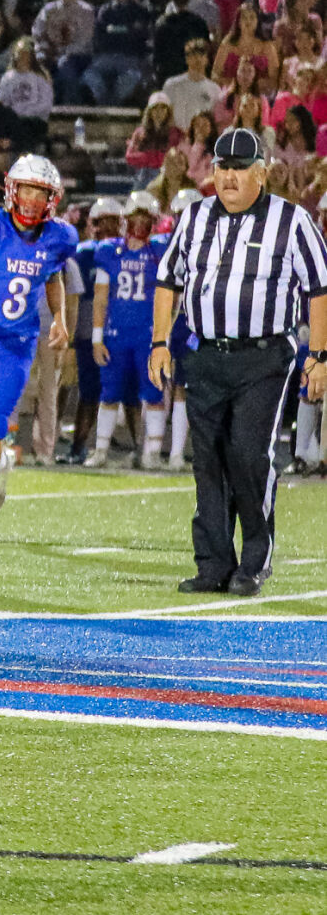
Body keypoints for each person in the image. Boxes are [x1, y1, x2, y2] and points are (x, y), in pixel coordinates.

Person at [152, 127, 327, 596]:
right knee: (206, 460)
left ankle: (253, 561)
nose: (228, 176)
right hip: (206, 354)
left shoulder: (291, 221)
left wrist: (320, 356)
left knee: (249, 456)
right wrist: (159, 343)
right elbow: (167, 279)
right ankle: (212, 564)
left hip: (265, 355)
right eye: (222, 166)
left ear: (261, 172)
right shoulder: (194, 216)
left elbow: (320, 288)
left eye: (239, 167)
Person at [0, 155, 76, 542]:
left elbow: (52, 276)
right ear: (12, 189)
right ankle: (1, 459)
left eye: (41, 192)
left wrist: (59, 319)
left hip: (17, 344)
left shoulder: (59, 237)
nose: (33, 199)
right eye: (27, 189)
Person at [87, 190, 169, 468]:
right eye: (136, 216)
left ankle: (152, 453)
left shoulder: (159, 251)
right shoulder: (109, 251)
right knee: (109, 393)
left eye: (146, 218)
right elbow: (100, 297)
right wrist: (97, 337)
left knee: (154, 394)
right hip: (116, 333)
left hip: (147, 334)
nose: (140, 223)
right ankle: (100, 451)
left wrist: (163, 335)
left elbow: (172, 294)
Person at [60, 197, 123, 464]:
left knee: (94, 392)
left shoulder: (87, 250)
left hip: (103, 328)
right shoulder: (91, 251)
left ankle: (82, 445)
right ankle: (79, 445)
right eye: (103, 222)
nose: (107, 228)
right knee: (89, 392)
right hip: (94, 328)